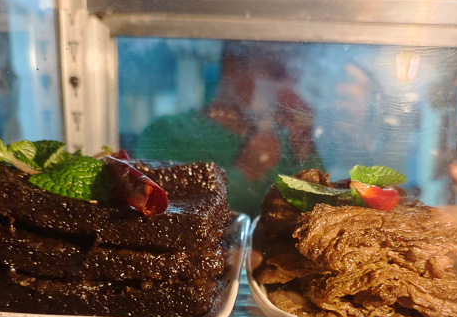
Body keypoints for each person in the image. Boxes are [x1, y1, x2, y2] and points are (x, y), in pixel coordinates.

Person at [136, 42, 325, 216]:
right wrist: (245, 173)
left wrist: (305, 153)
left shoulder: (288, 139)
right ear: (231, 68)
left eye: (295, 77)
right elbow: (159, 213)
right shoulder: (166, 132)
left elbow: (320, 215)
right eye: (276, 73)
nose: (289, 88)